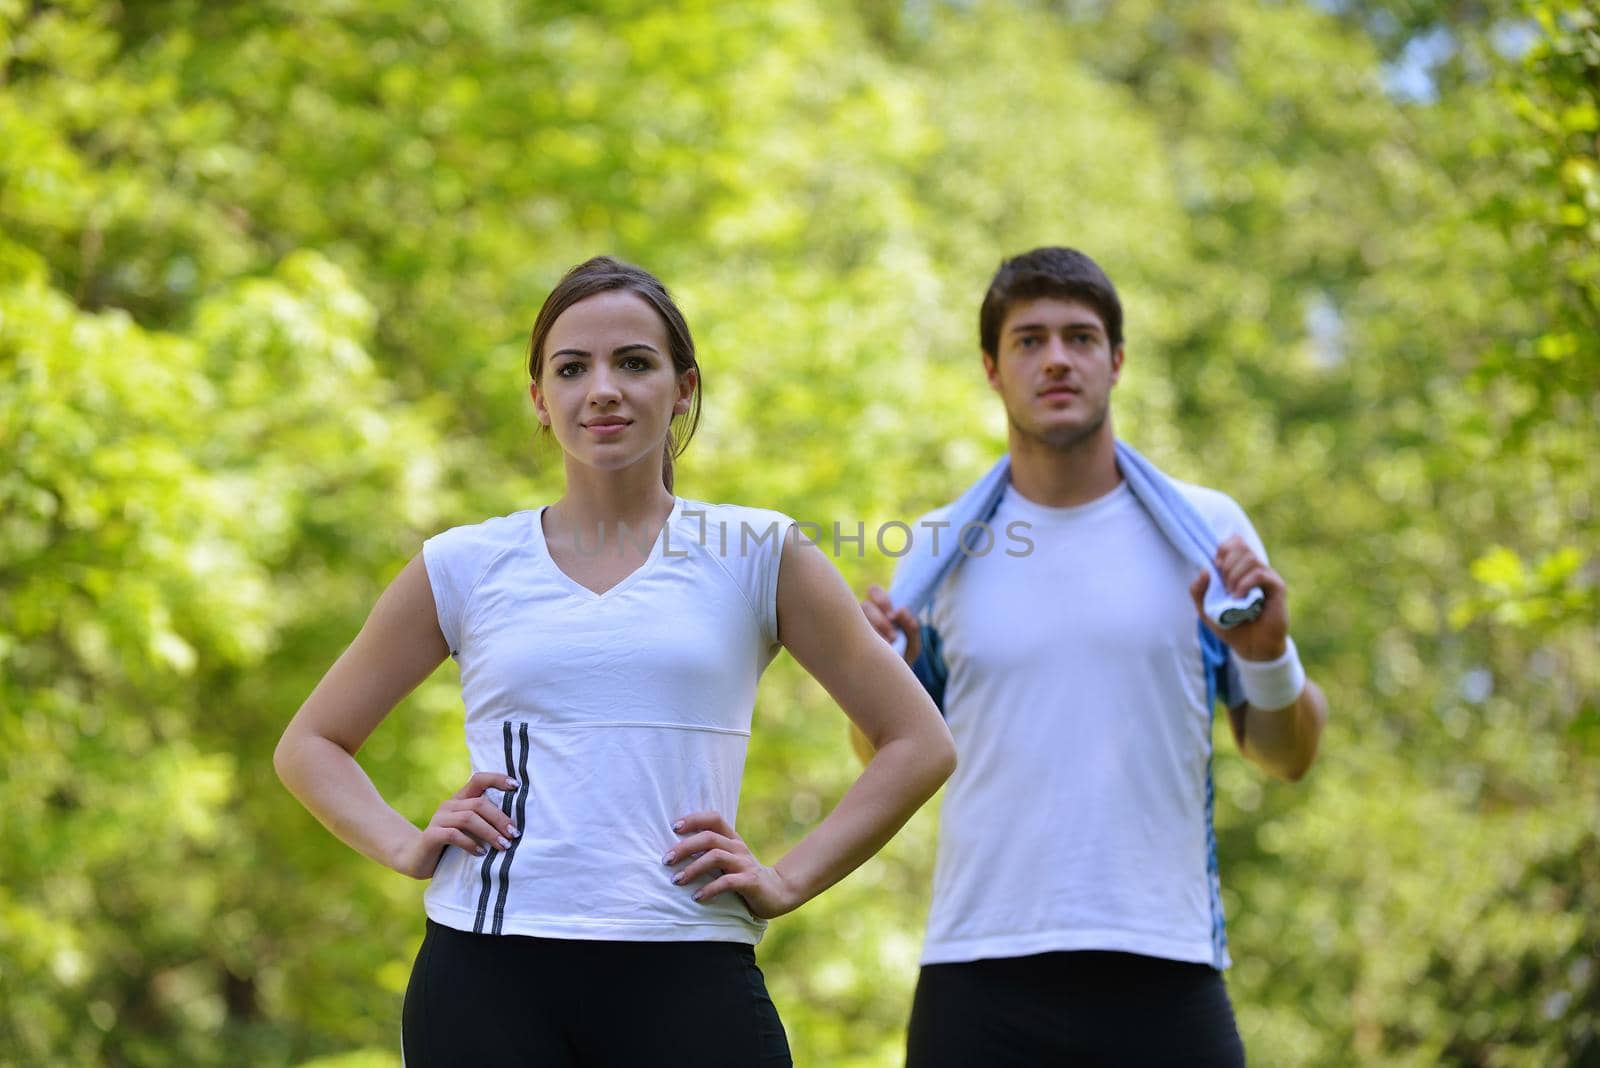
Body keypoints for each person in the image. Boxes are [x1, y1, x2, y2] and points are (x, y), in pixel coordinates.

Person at [275, 255, 956, 1067]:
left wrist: (787, 878)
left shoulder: (759, 551)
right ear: (540, 398)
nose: (603, 388)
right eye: (573, 368)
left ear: (683, 387)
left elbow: (919, 742)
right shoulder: (465, 563)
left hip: (690, 965)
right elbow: (310, 745)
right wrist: (403, 843)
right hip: (487, 974)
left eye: (634, 363)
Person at [859, 246, 1329, 1066]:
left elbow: (1288, 755)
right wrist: (876, 682)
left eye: (1079, 338)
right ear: (991, 369)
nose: (1057, 360)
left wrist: (1270, 652)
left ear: (1116, 361)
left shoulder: (1206, 532)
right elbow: (886, 755)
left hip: (1164, 962)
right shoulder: (938, 550)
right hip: (978, 965)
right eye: (1030, 340)